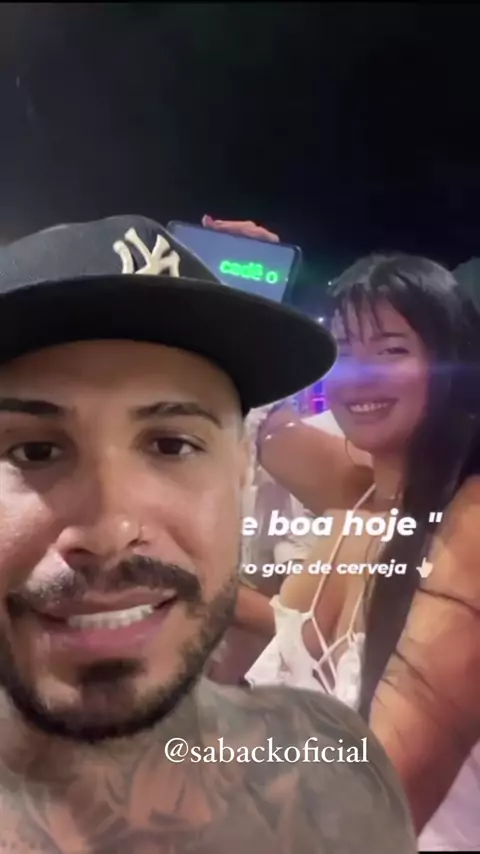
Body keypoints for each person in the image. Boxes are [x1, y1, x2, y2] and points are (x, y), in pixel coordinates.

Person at [0, 215, 417, 853]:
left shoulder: (333, 771)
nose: (112, 532)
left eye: (172, 445)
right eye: (33, 452)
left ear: (243, 473)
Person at [226, 239, 480, 851]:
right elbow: (257, 418)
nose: (360, 373)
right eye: (343, 349)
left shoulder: (468, 525)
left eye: (392, 350)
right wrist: (244, 283)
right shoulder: (360, 496)